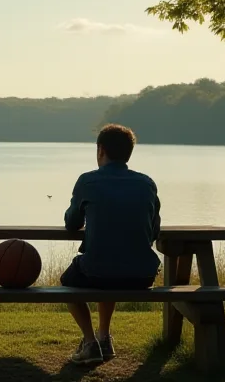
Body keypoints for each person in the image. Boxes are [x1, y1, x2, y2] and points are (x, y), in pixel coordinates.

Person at [61, 123, 161, 364]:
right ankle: (104, 336)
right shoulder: (146, 183)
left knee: (68, 282)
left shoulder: (87, 181)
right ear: (129, 152)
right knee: (109, 265)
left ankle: (90, 342)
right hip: (142, 275)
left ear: (100, 150)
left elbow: (72, 223)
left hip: (99, 272)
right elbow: (153, 230)